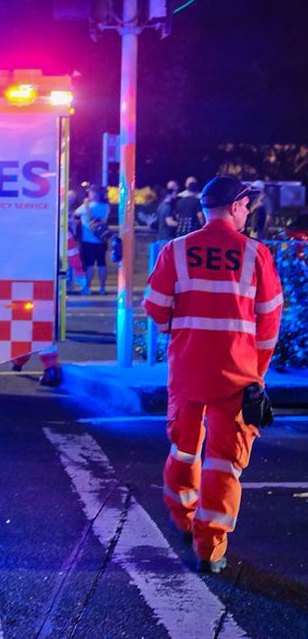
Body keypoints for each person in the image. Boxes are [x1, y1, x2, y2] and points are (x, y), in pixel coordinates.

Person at [144, 175, 282, 574]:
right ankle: (210, 548)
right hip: (237, 375)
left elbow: (155, 308)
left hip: (188, 370)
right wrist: (257, 373)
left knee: (184, 449)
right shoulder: (255, 253)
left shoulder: (175, 250)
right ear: (236, 207)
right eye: (246, 206)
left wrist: (180, 333)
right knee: (224, 462)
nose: (247, 213)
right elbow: (269, 321)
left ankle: (183, 518)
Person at [73, 187, 110, 294]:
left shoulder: (86, 206)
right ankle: (102, 288)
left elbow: (75, 213)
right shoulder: (106, 206)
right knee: (102, 264)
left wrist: (85, 203)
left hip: (88, 240)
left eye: (90, 193)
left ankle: (87, 288)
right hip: (101, 239)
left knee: (89, 264)